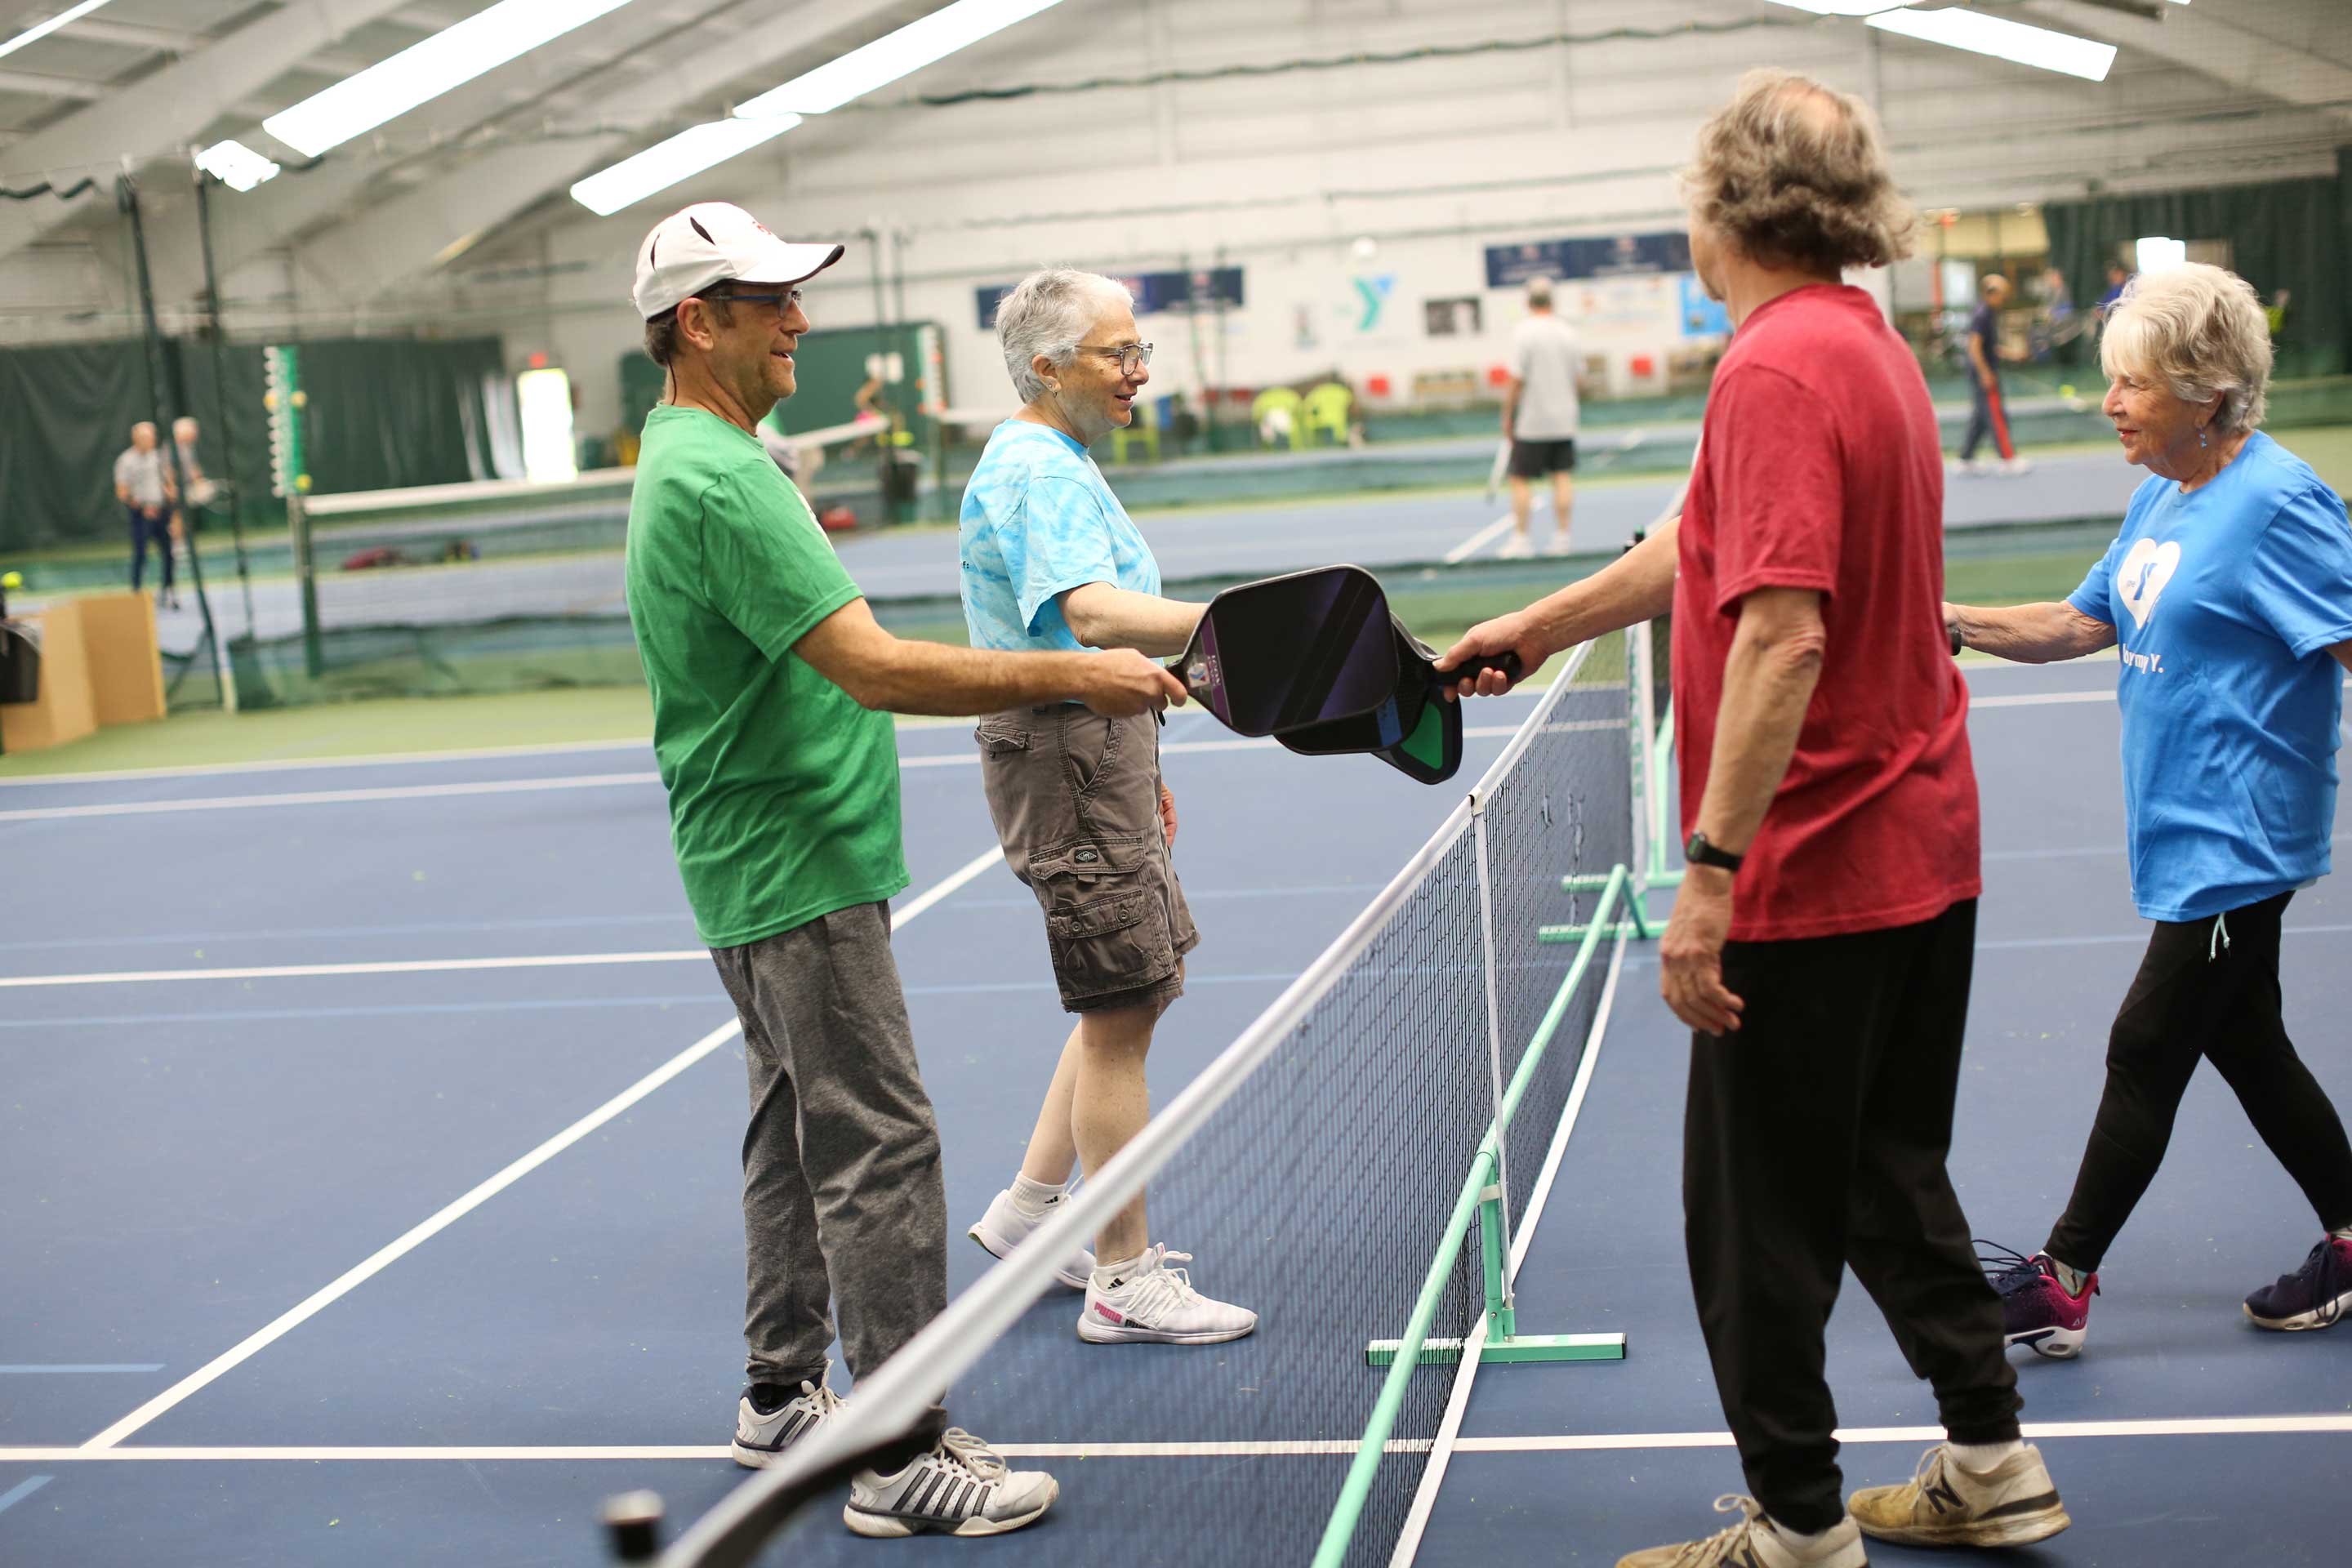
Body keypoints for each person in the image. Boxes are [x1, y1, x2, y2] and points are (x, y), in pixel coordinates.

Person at [1440, 69, 2064, 1566]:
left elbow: (1782, 634)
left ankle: (1796, 1530)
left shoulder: (1774, 366)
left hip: (1814, 872)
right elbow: (1700, 532)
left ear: (1726, 207)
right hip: (1926, 846)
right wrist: (1546, 619)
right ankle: (1990, 1461)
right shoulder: (1863, 348)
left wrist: (1709, 876)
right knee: (1882, 1173)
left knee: (1751, 1228)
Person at [621, 203, 1186, 1539]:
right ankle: (894, 1453)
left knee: (792, 1124)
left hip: (767, 855)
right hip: (793, 857)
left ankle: (780, 1396)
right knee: (880, 1137)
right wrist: (1077, 670)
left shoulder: (707, 456)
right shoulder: (719, 477)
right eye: (772, 304)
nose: (800, 324)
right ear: (699, 323)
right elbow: (871, 664)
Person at [1948, 264, 2352, 1358]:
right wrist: (1951, 620)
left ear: (2209, 392)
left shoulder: (2280, 503)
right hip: (2176, 827)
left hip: (2241, 835)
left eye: (2134, 384)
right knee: (2248, 1043)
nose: (2112, 403)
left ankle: (2063, 1276)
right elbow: (2082, 625)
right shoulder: (2159, 497)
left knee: (2148, 1041)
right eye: (2112, 381)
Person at [957, 268, 1257, 1348]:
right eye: (1115, 354)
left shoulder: (1059, 461)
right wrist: (1236, 627)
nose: (1137, 373)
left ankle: (1033, 1213)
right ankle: (1123, 1278)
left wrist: (1142, 758)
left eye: (1139, 352)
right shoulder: (1035, 467)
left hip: (1099, 746)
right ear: (1046, 367)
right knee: (1123, 1007)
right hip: (1064, 749)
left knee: (1122, 998)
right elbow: (1088, 614)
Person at [1499, 274, 1579, 559]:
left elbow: (1516, 379)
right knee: (1561, 475)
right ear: (1552, 300)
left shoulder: (1523, 333)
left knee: (1520, 478)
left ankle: (1521, 539)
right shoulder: (1567, 332)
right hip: (1564, 418)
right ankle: (1563, 537)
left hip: (1533, 421)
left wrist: (1507, 414)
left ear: (1527, 301)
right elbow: (1577, 378)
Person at [1958, 274, 2028, 475]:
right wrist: (1985, 373)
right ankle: (2008, 459)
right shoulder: (1982, 314)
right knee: (1995, 415)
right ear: (1991, 293)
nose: (2004, 299)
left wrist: (2013, 354)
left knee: (1980, 418)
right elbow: (1974, 347)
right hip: (1984, 375)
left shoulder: (1987, 313)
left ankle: (1966, 459)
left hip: (1982, 373)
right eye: (2002, 294)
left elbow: (1989, 348)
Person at [114, 421, 176, 609]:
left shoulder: (159, 458)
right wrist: (142, 506)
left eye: (151, 437)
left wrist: (171, 496)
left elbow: (169, 483)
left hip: (161, 512)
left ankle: (168, 591)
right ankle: (136, 594)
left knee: (169, 554)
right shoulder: (125, 461)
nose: (149, 441)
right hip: (140, 514)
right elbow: (122, 491)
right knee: (140, 554)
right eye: (144, 437)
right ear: (135, 438)